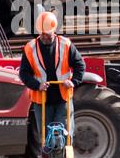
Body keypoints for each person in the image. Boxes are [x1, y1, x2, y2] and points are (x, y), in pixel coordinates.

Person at [19, 11, 86, 148]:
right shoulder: (30, 48)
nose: (44, 36)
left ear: (54, 30)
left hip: (63, 98)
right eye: (42, 33)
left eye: (47, 33)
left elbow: (80, 65)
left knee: (64, 132)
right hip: (41, 99)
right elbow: (24, 73)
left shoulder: (65, 44)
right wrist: (37, 85)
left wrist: (73, 82)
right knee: (45, 135)